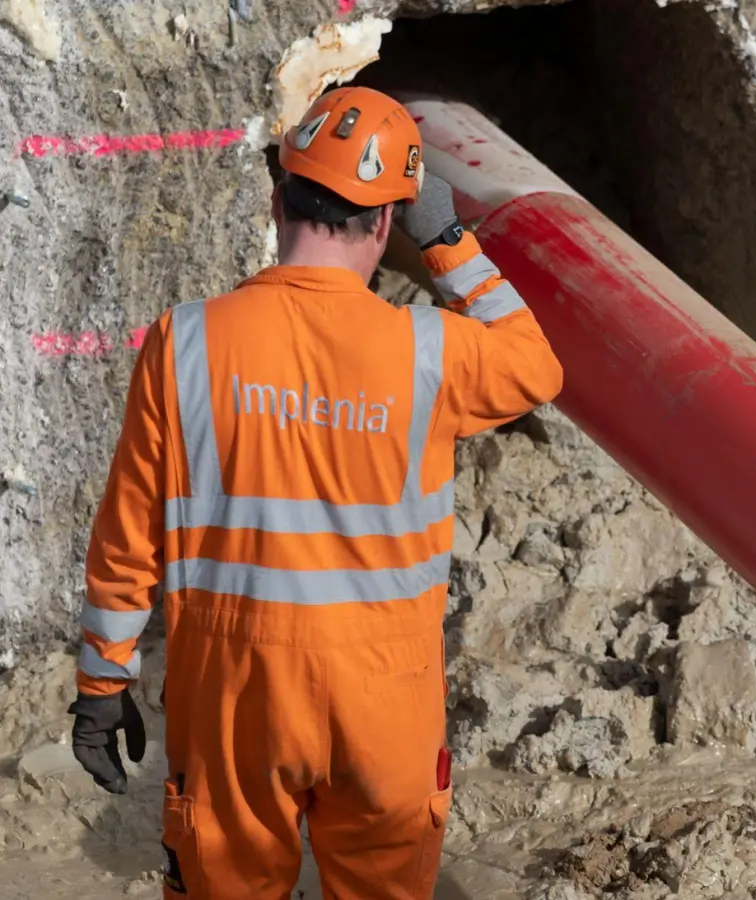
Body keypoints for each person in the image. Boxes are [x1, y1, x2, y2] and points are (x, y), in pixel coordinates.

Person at [64, 86, 564, 898]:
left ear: (277, 199)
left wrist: (101, 685)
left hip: (233, 698)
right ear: (384, 223)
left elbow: (127, 538)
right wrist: (447, 243)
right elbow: (538, 365)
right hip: (385, 702)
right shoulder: (432, 351)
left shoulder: (184, 341)